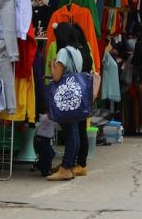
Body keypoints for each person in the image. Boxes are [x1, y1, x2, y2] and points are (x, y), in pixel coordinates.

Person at [47, 22, 83, 181]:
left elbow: (56, 77)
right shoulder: (77, 51)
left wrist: (52, 65)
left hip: (65, 96)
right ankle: (70, 165)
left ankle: (66, 167)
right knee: (74, 131)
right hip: (74, 95)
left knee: (70, 132)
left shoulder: (63, 52)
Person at [71, 23, 94, 176]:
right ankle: (78, 162)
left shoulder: (76, 52)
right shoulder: (86, 49)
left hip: (77, 92)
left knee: (77, 129)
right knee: (80, 128)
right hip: (84, 92)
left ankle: (80, 163)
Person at [32, 112, 56, 177]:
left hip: (46, 140)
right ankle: (45, 170)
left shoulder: (54, 117)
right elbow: (41, 120)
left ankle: (40, 165)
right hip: (40, 139)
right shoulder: (44, 117)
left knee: (48, 154)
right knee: (49, 154)